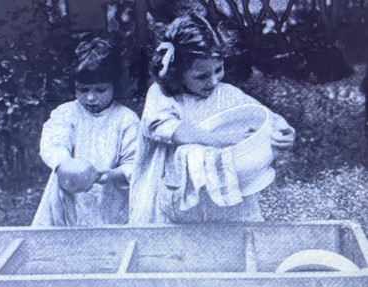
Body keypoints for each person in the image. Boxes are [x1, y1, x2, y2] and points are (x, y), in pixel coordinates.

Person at [130, 15, 295, 224]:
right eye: (202, 76)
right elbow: (175, 130)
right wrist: (223, 140)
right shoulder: (162, 96)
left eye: (218, 70)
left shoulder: (226, 94)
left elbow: (264, 117)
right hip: (172, 201)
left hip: (222, 203)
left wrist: (283, 131)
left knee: (223, 242)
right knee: (171, 249)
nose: (214, 81)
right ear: (176, 72)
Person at [31, 37, 140, 227]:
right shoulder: (67, 114)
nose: (90, 98)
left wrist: (114, 174)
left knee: (108, 242)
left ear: (115, 85)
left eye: (100, 90)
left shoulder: (125, 119)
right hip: (68, 192)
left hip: (110, 195)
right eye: (83, 90)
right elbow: (54, 141)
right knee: (63, 241)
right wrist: (64, 163)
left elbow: (135, 162)